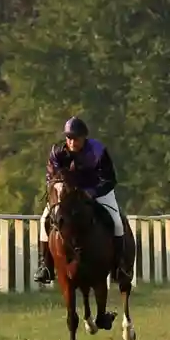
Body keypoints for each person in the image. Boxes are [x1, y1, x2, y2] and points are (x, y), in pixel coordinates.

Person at [34, 117, 124, 285]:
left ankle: (119, 266)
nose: (72, 142)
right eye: (69, 138)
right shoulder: (57, 151)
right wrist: (56, 185)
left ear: (84, 137)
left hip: (98, 190)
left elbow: (109, 180)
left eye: (76, 138)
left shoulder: (98, 151)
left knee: (117, 222)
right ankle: (45, 266)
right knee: (43, 220)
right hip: (69, 193)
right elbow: (50, 175)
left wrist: (91, 192)